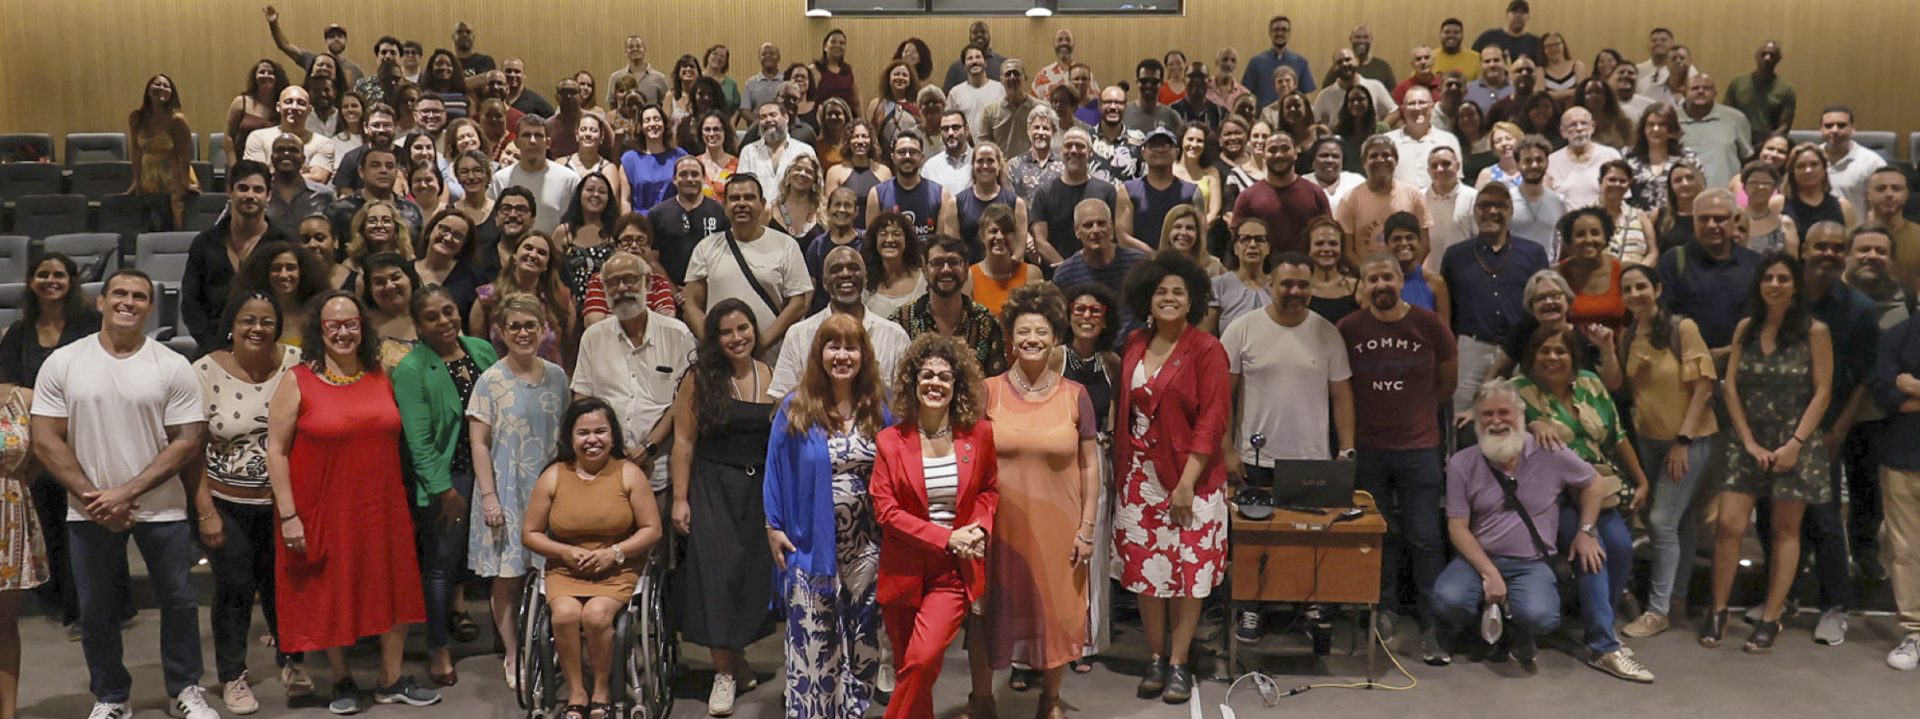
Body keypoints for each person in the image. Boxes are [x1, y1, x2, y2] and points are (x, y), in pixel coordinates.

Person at [29, 270, 210, 719]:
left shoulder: (172, 365)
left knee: (180, 603)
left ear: (151, 307)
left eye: (139, 296)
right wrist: (96, 498)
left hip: (163, 508)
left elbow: (188, 440)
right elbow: (45, 439)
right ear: (101, 301)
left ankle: (186, 689)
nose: (128, 302)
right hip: (89, 510)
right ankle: (111, 697)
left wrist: (125, 493)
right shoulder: (64, 362)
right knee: (95, 610)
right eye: (120, 293)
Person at [263, 289, 439, 713]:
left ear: (363, 328)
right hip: (322, 507)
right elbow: (276, 452)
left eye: (351, 324)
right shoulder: (297, 380)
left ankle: (391, 679)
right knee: (330, 591)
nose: (343, 333)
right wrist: (288, 515)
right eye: (333, 326)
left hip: (382, 505)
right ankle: (341, 679)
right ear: (319, 330)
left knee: (395, 588)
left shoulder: (382, 374)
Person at [1111, 252, 1228, 705]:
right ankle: (1156, 657)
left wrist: (1185, 483)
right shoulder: (1135, 341)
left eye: (1178, 291)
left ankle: (1179, 662)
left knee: (1187, 574)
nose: (1169, 298)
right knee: (1148, 573)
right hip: (1138, 479)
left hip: (1189, 479)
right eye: (1161, 291)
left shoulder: (1207, 348)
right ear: (1147, 297)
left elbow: (1212, 421)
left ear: (1192, 299)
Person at [1702, 255, 1834, 653]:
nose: (1774, 285)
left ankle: (1772, 616)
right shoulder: (1746, 327)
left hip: (1795, 442)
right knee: (1729, 524)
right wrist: (1748, 441)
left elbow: (1823, 392)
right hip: (1748, 440)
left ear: (1796, 286)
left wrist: (1794, 444)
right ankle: (1718, 610)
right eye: (1768, 278)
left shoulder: (1815, 331)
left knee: (1785, 530)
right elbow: (1730, 387)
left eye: (1783, 278)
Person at [1508, 326, 1656, 680]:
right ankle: (1603, 647)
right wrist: (1530, 427)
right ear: (1532, 356)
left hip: (1595, 487)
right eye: (1544, 350)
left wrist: (1641, 479)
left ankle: (1600, 623)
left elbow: (1617, 435)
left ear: (1573, 356)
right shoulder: (1516, 391)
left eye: (1560, 351)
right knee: (1592, 552)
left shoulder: (1591, 383)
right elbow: (1492, 421)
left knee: (1620, 547)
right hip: (1551, 495)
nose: (1552, 357)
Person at [1221, 251, 1355, 640]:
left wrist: (1346, 451)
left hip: (1312, 460)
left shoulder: (1328, 333)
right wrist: (1227, 449)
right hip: (1254, 459)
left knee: (1310, 539)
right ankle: (1251, 608)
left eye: (1302, 285)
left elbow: (1342, 396)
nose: (1295, 291)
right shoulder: (1241, 330)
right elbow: (1221, 397)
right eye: (1286, 284)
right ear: (1270, 285)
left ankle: (1311, 607)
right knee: (1255, 539)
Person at [1332, 251, 1457, 661]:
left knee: (1425, 538)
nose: (1381, 285)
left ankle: (1432, 623)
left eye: (1387, 277)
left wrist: (1418, 414)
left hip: (1419, 448)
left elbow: (1448, 381)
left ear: (1401, 281)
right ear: (1362, 287)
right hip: (1369, 449)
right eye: (1372, 279)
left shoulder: (1429, 323)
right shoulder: (1348, 329)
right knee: (1377, 536)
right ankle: (1382, 611)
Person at [764, 314, 891, 717]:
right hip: (811, 548)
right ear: (819, 353)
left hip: (868, 551)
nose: (842, 355)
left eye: (851, 347)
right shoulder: (795, 407)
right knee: (815, 650)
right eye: (833, 346)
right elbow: (775, 469)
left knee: (864, 648)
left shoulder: (880, 407)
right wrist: (772, 525)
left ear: (863, 355)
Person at [1430, 379, 1605, 666]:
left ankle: (1516, 625)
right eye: (1487, 414)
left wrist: (1586, 531)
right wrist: (1489, 572)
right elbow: (1457, 528)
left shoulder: (1550, 451)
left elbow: (1595, 483)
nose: (1496, 421)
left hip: (1532, 562)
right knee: (1447, 601)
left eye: (1504, 412)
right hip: (1478, 559)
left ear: (1521, 416)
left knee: (1541, 617)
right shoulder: (1463, 463)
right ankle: (1473, 623)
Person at [867, 333, 996, 719]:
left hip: (951, 573)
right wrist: (947, 536)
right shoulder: (889, 441)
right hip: (902, 571)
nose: (935, 383)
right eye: (926, 375)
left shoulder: (980, 435)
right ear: (913, 381)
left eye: (944, 376)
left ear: (957, 385)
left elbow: (989, 490)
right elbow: (886, 511)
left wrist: (980, 529)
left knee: (922, 660)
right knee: (913, 672)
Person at [187, 289, 303, 713]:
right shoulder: (204, 370)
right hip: (226, 501)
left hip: (285, 501)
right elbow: (192, 451)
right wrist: (205, 512)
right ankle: (233, 675)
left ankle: (293, 661)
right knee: (235, 585)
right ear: (232, 326)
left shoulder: (297, 363)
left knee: (284, 583)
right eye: (248, 320)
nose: (258, 328)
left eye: (267, 321)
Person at [661, 299, 775, 715]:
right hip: (711, 485)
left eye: (743, 328)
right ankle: (723, 673)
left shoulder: (770, 374)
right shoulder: (699, 378)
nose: (736, 338)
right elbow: (683, 442)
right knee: (716, 576)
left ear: (754, 330)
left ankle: (736, 657)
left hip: (757, 490)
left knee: (747, 577)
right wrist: (679, 498)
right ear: (714, 338)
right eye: (726, 332)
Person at [521, 397, 664, 719]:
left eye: (600, 431)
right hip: (566, 567)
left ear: (613, 435)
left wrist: (614, 552)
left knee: (597, 616)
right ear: (570, 438)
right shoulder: (554, 475)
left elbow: (652, 529)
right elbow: (530, 533)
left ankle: (601, 689)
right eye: (583, 433)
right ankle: (576, 692)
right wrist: (564, 551)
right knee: (564, 616)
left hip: (617, 565)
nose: (592, 440)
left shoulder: (628, 474)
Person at [390, 283, 496, 685]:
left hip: (489, 473)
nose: (444, 322)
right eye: (431, 317)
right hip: (447, 479)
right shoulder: (412, 368)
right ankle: (438, 648)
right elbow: (418, 441)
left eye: (448, 311)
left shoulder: (480, 349)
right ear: (418, 326)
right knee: (440, 566)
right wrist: (444, 491)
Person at [1611, 264, 1720, 640]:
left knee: (1661, 521)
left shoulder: (1682, 328)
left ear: (1657, 289)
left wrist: (1683, 441)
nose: (1635, 294)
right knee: (1680, 521)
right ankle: (1676, 598)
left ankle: (1657, 612)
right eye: (1627, 289)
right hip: (1648, 440)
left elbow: (1704, 387)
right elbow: (1621, 385)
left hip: (1688, 440)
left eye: (1641, 286)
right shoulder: (1628, 334)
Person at [1443, 183, 1549, 415]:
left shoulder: (1533, 253)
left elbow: (1543, 305)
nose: (1492, 211)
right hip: (1471, 349)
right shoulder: (1455, 256)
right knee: (1464, 416)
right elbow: (1448, 309)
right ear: (1475, 212)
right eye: (1485, 205)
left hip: (1521, 350)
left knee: (1524, 416)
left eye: (1500, 206)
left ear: (1511, 212)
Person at [684, 175, 814, 357]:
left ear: (762, 204)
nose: (742, 204)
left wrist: (761, 344)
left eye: (749, 197)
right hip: (719, 360)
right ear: (725, 206)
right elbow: (691, 305)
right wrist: (714, 346)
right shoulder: (706, 247)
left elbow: (798, 303)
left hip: (771, 358)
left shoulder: (786, 245)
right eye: (734, 198)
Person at [770, 246, 911, 403]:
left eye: (853, 268)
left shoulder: (894, 337)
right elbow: (782, 400)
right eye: (836, 270)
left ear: (865, 278)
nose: (845, 274)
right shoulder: (798, 335)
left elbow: (905, 402)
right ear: (825, 283)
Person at [184, 161, 289, 354]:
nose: (250, 195)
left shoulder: (283, 244)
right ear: (229, 191)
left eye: (258, 189)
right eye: (243, 188)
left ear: (268, 195)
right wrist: (213, 349)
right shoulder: (204, 242)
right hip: (212, 349)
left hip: (268, 348)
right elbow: (191, 303)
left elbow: (291, 303)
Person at [1657, 188, 1762, 353]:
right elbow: (1662, 320)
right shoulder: (1673, 262)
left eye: (1719, 219)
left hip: (1743, 359)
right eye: (1703, 219)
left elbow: (1762, 321)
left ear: (1735, 220)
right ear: (1694, 221)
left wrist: (1728, 351)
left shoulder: (1756, 264)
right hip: (1687, 361)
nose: (1711, 225)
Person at [888, 234, 1009, 378]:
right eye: (937, 263)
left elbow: (998, 385)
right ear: (925, 270)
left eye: (954, 262)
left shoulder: (987, 323)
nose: (946, 269)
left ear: (966, 269)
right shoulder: (900, 322)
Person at [1873, 305, 1920, 670]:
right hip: (1903, 455)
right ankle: (1915, 632)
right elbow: (1886, 396)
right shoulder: (1897, 335)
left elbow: (1902, 390)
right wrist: (1899, 390)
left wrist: (1913, 386)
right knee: (1904, 550)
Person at [1030, 128, 1136, 266]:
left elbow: (1116, 236)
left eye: (1080, 146)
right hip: (1057, 273)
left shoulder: (1107, 191)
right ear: (1061, 152)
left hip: (1100, 271)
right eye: (1068, 146)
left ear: (1090, 152)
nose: (1074, 150)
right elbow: (1040, 241)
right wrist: (1067, 268)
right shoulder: (1044, 193)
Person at [470, 231, 574, 366]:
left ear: (547, 264)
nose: (533, 255)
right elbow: (477, 350)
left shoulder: (560, 298)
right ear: (514, 254)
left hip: (549, 377)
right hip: (500, 376)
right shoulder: (488, 297)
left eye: (541, 253)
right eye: (528, 248)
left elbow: (570, 350)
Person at [1054, 200, 1149, 335]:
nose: (1096, 230)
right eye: (1088, 225)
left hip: (1136, 343)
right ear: (1077, 231)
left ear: (1111, 227)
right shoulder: (1065, 274)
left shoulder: (1138, 263)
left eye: (1101, 223)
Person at [1336, 136, 1433, 265]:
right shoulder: (1349, 200)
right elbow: (1347, 252)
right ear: (1364, 162)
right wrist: (1369, 274)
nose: (1380, 160)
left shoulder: (1413, 194)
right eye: (1373, 156)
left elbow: (1424, 245)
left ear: (1396, 160)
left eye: (1386, 155)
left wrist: (1408, 273)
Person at [1232, 131, 1331, 256]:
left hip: (1307, 267)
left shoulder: (1315, 193)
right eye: (1272, 150)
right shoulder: (1247, 197)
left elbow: (1329, 234)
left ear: (1295, 153)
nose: (1279, 155)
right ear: (1263, 155)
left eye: (1285, 149)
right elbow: (1238, 241)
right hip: (1264, 267)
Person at [127, 74, 200, 229]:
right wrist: (136, 180)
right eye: (157, 84)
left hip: (174, 175)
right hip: (149, 176)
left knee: (177, 222)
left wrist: (185, 182)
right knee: (155, 222)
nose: (161, 88)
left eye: (166, 86)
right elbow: (136, 150)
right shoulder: (136, 117)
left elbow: (184, 154)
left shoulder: (177, 120)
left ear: (172, 93)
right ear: (148, 90)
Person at [490, 117, 582, 234]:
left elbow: (578, 224)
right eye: (526, 135)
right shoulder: (500, 179)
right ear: (517, 142)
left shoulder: (569, 180)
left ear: (548, 143)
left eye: (538, 135)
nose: (532, 141)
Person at [867, 131, 959, 241]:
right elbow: (872, 241)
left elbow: (941, 244)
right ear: (893, 157)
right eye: (901, 152)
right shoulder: (877, 194)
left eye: (913, 152)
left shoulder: (941, 194)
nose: (907, 156)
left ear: (922, 157)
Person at [1676, 74, 1754, 190]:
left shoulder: (1735, 119)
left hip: (1726, 194)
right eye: (1695, 88)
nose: (1701, 91)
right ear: (1684, 93)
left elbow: (1747, 158)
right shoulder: (1672, 119)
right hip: (1683, 193)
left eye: (1706, 88)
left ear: (1715, 93)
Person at [966, 204, 1042, 316]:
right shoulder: (969, 277)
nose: (1000, 237)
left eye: (1006, 232)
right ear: (982, 236)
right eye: (993, 231)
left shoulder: (1032, 274)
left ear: (1014, 236)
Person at [1557, 207, 1627, 331]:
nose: (1588, 240)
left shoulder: (1623, 271)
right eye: (1580, 235)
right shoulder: (1557, 275)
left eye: (1595, 233)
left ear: (1606, 237)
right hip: (1572, 342)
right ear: (1569, 240)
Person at [1382, 87, 1460, 192]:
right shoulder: (1387, 141)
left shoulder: (1448, 140)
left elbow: (1456, 181)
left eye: (1422, 103)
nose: (1417, 108)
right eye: (1411, 104)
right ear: (1403, 109)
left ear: (1432, 107)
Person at [738, 102, 817, 204]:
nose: (768, 120)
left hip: (795, 212)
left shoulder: (804, 150)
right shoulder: (748, 152)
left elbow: (816, 188)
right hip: (759, 213)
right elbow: (741, 187)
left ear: (786, 118)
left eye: (773, 115)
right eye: (763, 117)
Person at [1205, 218, 1272, 334]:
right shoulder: (1218, 286)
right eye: (1245, 239)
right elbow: (1206, 334)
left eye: (1259, 239)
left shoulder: (1279, 286)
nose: (1252, 245)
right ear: (1235, 248)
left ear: (1268, 248)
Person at [1821, 106, 1888, 222]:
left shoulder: (1873, 162)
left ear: (1853, 129)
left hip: (1855, 231)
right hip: (1815, 230)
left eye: (1841, 125)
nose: (1835, 130)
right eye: (1829, 126)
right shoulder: (1810, 159)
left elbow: (1881, 206)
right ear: (1821, 130)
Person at [1546, 108, 1623, 209]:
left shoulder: (1610, 156)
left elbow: (1621, 196)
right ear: (1563, 132)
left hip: (1603, 217)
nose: (1579, 128)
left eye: (1584, 123)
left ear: (1592, 127)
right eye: (1573, 125)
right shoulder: (1552, 161)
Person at [1724, 42, 1795, 147]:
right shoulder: (1738, 83)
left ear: (1778, 59)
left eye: (1772, 55)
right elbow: (1726, 115)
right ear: (1757, 56)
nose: (1767, 58)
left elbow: (1784, 125)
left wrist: (1764, 144)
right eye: (1764, 54)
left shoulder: (1786, 89)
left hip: (1766, 146)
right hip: (1736, 141)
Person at [1508, 135, 1566, 262]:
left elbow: (1561, 241)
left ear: (1547, 163)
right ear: (1517, 165)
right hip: (1514, 269)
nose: (1534, 165)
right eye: (1527, 161)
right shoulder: (1506, 201)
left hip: (1546, 269)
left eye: (1539, 160)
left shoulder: (1558, 201)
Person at [228, 60, 291, 170]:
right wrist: (234, 166)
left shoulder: (284, 105)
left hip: (275, 167)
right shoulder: (241, 102)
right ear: (255, 77)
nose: (266, 76)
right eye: (262, 72)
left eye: (270, 73)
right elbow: (228, 138)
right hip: (242, 166)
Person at [824, 121, 893, 221]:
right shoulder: (835, 172)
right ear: (848, 141)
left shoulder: (884, 172)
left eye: (864, 136)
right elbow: (830, 212)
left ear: (871, 140)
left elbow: (889, 209)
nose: (860, 141)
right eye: (855, 137)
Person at [1425, 147, 1477, 274]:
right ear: (1429, 171)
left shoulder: (1474, 197)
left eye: (1446, 163)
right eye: (1434, 166)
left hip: (1464, 274)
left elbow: (1480, 239)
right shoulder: (1419, 198)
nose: (1440, 169)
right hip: (1428, 276)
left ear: (1458, 165)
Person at [1598, 160, 1657, 265]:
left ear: (1629, 184)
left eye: (1622, 181)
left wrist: (1638, 271)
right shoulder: (1586, 215)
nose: (1617, 184)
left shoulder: (1640, 216)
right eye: (1612, 180)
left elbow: (1652, 253)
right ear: (1600, 182)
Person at [1306, 217, 1362, 323]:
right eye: (1319, 243)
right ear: (1309, 248)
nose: (1326, 249)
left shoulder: (1359, 288)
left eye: (1333, 244)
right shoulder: (1300, 288)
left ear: (1341, 248)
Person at [1464, 48, 1514, 115]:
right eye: (1487, 61)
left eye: (1496, 60)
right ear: (1480, 64)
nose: (1492, 65)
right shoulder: (1467, 90)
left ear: (1505, 63)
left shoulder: (1515, 88)